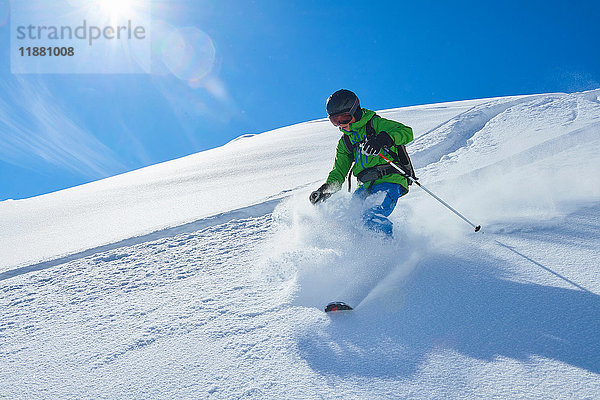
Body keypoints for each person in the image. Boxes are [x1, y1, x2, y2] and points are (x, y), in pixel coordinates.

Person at [309, 89, 414, 237]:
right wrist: (325, 190)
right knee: (349, 222)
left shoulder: (375, 123)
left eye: (344, 118)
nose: (340, 124)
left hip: (388, 180)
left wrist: (382, 140)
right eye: (334, 120)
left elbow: (407, 132)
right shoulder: (345, 142)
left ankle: (389, 252)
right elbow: (339, 172)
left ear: (355, 111)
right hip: (363, 187)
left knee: (371, 218)